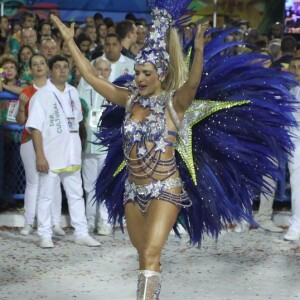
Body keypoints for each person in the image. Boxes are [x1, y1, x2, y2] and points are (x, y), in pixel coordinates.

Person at [52, 4, 296, 300]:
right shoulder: (129, 101)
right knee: (144, 256)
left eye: (146, 73)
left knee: (152, 253)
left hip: (166, 190)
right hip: (133, 191)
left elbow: (192, 84)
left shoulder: (173, 104)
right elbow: (92, 76)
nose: (139, 78)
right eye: (137, 72)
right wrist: (70, 43)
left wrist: (201, 51)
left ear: (161, 74)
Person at [26, 55, 100, 249]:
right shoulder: (41, 95)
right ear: (51, 70)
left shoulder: (73, 91)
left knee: (76, 194)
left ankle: (81, 233)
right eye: (57, 67)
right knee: (45, 195)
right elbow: (35, 128)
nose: (62, 70)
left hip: (72, 152)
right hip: (50, 155)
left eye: (65, 67)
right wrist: (40, 156)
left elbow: (77, 122)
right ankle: (44, 234)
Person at [16, 53, 65, 236]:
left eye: (42, 63)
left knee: (55, 181)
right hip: (29, 140)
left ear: (47, 67)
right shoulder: (26, 92)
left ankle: (55, 222)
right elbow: (20, 121)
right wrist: (21, 106)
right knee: (33, 182)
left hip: (54, 142)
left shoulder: (58, 90)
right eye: (34, 64)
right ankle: (29, 222)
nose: (38, 67)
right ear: (30, 69)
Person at [78, 57, 112, 235]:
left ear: (110, 72)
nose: (102, 73)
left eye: (106, 70)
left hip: (106, 147)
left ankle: (105, 221)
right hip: (88, 147)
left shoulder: (114, 92)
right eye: (99, 69)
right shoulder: (83, 90)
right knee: (88, 186)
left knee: (104, 185)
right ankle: (90, 220)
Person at [284, 57, 300, 241]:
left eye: (299, 67)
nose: (296, 70)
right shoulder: (290, 89)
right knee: (296, 181)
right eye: (294, 67)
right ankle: (296, 224)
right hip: (294, 139)